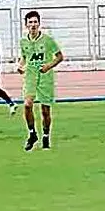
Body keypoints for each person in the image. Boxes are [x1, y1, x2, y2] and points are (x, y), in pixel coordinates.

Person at [18, 11, 63, 151]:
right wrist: (20, 65)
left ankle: (46, 136)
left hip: (45, 77)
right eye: (30, 22)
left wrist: (48, 66)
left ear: (39, 24)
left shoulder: (48, 40)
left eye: (35, 22)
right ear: (26, 24)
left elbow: (60, 56)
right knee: (27, 105)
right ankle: (32, 134)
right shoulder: (23, 41)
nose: (33, 25)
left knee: (45, 111)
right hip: (30, 76)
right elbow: (25, 57)